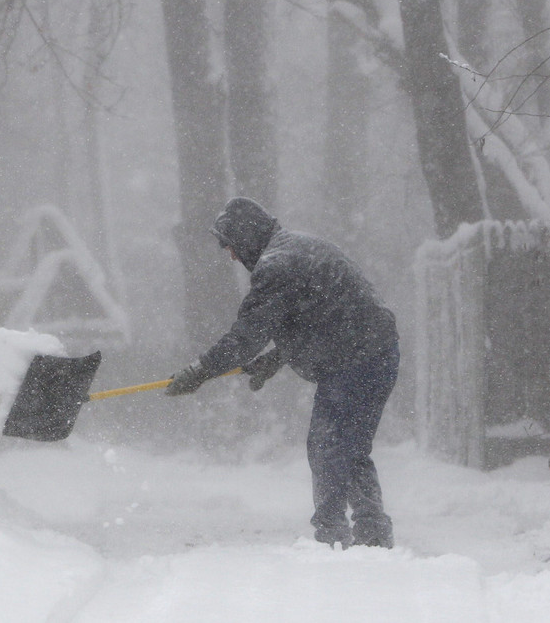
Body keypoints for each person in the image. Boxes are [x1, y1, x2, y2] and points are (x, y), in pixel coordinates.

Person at [165, 197, 400, 549]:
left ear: (246, 238)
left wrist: (200, 371)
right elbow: (320, 317)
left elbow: (246, 337)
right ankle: (371, 533)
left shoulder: (277, 265)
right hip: (375, 352)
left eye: (231, 246)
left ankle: (333, 537)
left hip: (354, 359)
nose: (230, 256)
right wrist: (277, 359)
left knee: (327, 445)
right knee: (348, 447)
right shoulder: (301, 247)